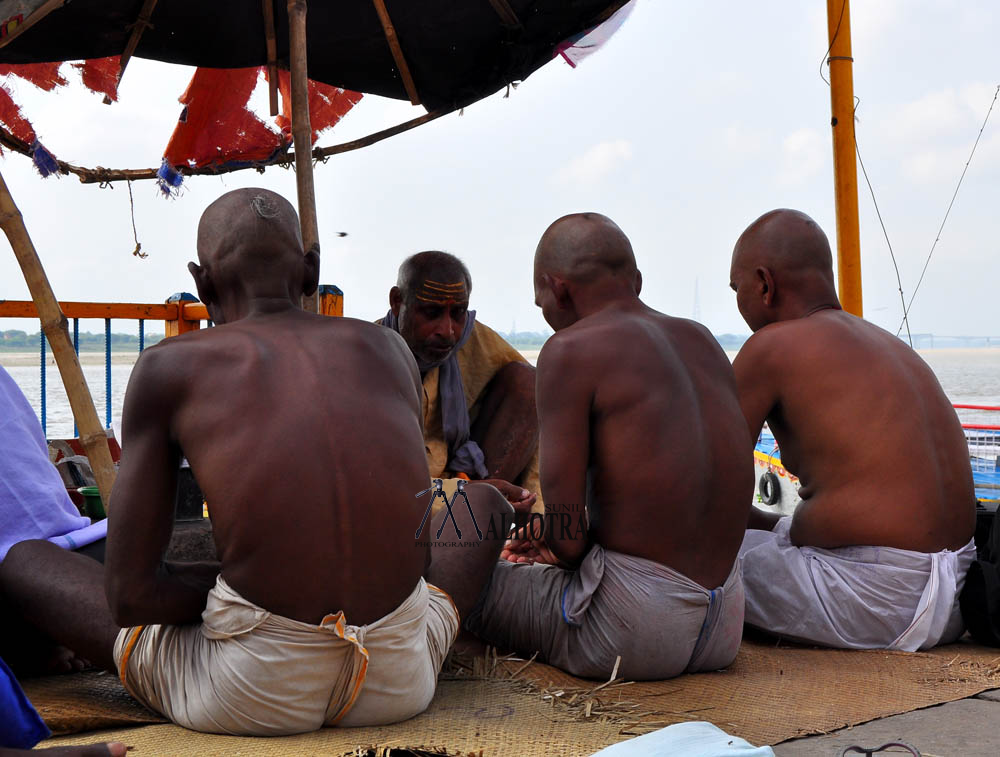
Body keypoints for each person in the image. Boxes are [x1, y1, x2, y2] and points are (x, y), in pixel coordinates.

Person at [0, 188, 513, 736]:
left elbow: (130, 597)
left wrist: (257, 584)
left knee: (25, 559)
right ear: (310, 270)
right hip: (398, 679)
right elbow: (409, 545)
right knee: (483, 501)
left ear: (202, 282)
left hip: (253, 693)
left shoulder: (167, 367)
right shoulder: (389, 351)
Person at [464, 213, 753, 681]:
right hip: (724, 619)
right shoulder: (701, 339)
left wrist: (549, 541)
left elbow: (570, 538)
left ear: (557, 290)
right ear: (635, 281)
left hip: (633, 630)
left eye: (542, 304)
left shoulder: (568, 350)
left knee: (462, 578)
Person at [730, 208, 976, 651]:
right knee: (764, 536)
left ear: (765, 284)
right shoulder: (891, 346)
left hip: (871, 600)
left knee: (689, 571)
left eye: (737, 288)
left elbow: (714, 496)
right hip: (960, 589)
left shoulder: (770, 347)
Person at [382, 251, 540, 511]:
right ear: (397, 302)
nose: (448, 331)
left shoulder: (476, 341)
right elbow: (377, 478)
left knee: (529, 383)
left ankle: (484, 516)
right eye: (431, 312)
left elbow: (538, 409)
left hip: (468, 483)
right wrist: (467, 494)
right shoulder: (369, 355)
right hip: (402, 495)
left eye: (458, 313)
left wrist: (537, 512)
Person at [0, 365, 107, 675]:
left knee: (30, 564)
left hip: (34, 580)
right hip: (56, 577)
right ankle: (58, 635)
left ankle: (42, 642)